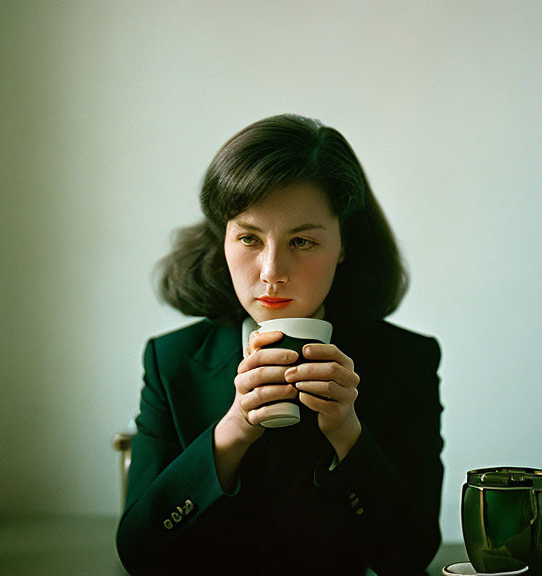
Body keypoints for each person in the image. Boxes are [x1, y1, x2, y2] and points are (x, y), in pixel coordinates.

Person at [116, 114, 444, 576]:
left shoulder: (406, 362)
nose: (271, 269)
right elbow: (139, 553)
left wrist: (347, 433)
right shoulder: (173, 363)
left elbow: (410, 556)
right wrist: (230, 432)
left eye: (303, 241)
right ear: (222, 239)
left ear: (343, 245)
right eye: (249, 237)